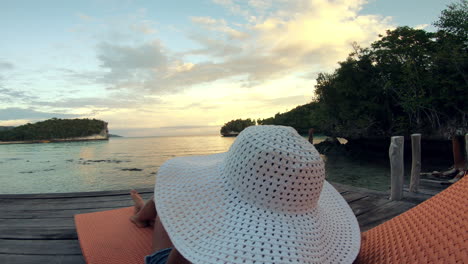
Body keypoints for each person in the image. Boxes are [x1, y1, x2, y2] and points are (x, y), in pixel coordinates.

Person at [130, 125, 361, 264]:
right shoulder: (308, 251)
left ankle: (140, 217)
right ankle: (142, 214)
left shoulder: (208, 240)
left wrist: (188, 238)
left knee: (170, 201)